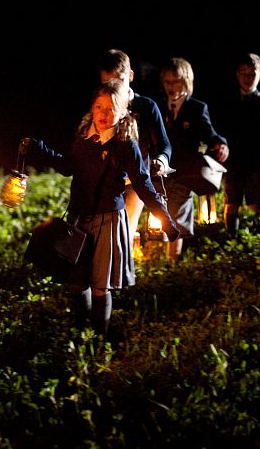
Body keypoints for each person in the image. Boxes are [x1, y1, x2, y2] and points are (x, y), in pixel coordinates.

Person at [23, 79, 179, 338]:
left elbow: (142, 183)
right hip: (80, 217)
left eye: (110, 108)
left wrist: (165, 220)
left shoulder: (126, 144)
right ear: (92, 108)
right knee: (77, 281)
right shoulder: (84, 137)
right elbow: (68, 166)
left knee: (99, 285)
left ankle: (99, 340)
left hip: (108, 220)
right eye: (99, 107)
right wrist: (39, 149)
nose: (103, 114)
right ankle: (80, 335)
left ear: (122, 112)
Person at [94, 49, 172, 243]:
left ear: (130, 76)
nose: (113, 88)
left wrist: (162, 161)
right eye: (107, 83)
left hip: (134, 183)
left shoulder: (146, 106)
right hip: (103, 182)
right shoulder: (99, 106)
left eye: (119, 81)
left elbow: (164, 144)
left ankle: (125, 260)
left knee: (124, 236)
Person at [159, 57, 229, 262]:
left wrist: (221, 144)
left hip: (185, 173)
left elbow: (210, 134)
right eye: (167, 82)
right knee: (160, 214)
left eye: (176, 82)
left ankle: (172, 263)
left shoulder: (197, 108)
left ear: (186, 82)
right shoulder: (158, 106)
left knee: (177, 215)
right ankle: (158, 260)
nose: (171, 87)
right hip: (160, 171)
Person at [218, 53, 260, 235]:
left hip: (257, 161)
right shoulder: (229, 102)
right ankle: (232, 235)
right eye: (243, 73)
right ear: (237, 75)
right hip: (233, 161)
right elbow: (220, 130)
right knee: (232, 200)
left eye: (252, 74)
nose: (247, 78)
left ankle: (257, 233)